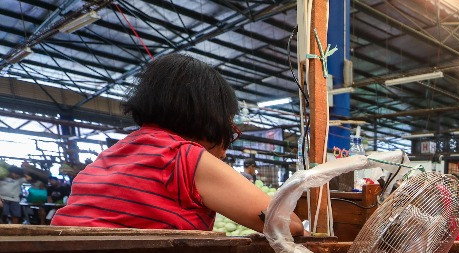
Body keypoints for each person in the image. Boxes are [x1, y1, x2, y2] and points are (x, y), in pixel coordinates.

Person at [52, 55, 303, 235]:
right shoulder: (184, 157)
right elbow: (288, 226)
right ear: (210, 117)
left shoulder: (113, 154)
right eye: (230, 128)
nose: (225, 149)